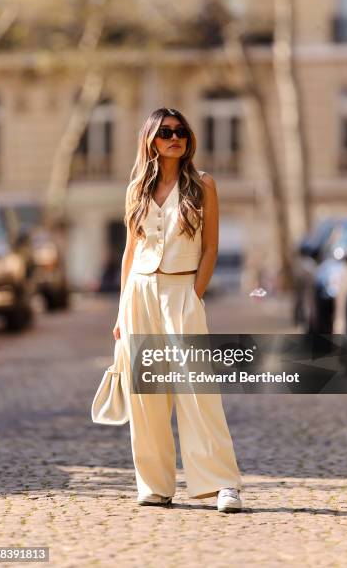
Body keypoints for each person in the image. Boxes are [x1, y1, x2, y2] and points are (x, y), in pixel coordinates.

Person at [112, 107, 242, 512]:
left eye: (181, 131)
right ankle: (155, 484)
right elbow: (130, 252)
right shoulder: (136, 189)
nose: (175, 137)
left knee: (198, 391)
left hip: (181, 290)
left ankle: (222, 484)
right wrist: (120, 311)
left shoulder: (204, 184)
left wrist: (194, 294)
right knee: (145, 395)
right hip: (140, 292)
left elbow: (211, 248)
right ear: (150, 139)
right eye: (166, 132)